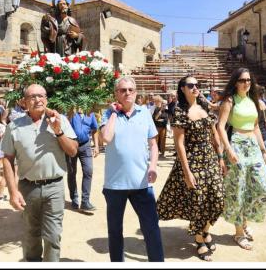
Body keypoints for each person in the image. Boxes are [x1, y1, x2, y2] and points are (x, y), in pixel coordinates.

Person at [1, 84, 78, 262]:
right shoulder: (14, 126)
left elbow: (73, 151)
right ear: (24, 102)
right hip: (28, 188)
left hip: (54, 187)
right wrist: (13, 192)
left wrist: (58, 131)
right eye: (32, 97)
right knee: (31, 236)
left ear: (46, 99)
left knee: (53, 237)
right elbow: (7, 160)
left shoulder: (59, 120)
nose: (37, 100)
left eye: (41, 96)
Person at [156, 76, 225, 261]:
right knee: (199, 201)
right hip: (192, 161)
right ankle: (200, 239)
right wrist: (187, 172)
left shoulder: (204, 107)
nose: (195, 88)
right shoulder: (179, 111)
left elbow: (215, 134)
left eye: (197, 85)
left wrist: (220, 157)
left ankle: (205, 230)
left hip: (210, 159)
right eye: (190, 85)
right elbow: (179, 145)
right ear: (183, 89)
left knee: (218, 199)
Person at [99, 77, 164, 262]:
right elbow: (107, 138)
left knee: (151, 228)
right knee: (115, 231)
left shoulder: (144, 113)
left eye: (130, 90)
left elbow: (153, 145)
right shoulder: (107, 114)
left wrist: (153, 167)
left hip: (142, 183)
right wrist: (113, 112)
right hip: (114, 185)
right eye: (122, 90)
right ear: (116, 94)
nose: (127, 93)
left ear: (136, 93)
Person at [216, 68, 266, 251]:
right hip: (236, 145)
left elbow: (256, 128)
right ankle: (239, 232)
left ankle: (245, 221)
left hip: (253, 147)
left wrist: (264, 150)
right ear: (235, 82)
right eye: (242, 80)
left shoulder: (252, 101)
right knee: (237, 190)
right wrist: (228, 150)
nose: (246, 83)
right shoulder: (230, 101)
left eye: (248, 80)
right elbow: (221, 127)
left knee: (262, 188)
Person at [66, 107, 100, 213]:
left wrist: (97, 146)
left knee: (88, 171)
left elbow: (94, 129)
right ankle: (74, 198)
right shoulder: (70, 112)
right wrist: (69, 114)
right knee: (72, 172)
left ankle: (85, 201)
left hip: (85, 145)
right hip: (71, 145)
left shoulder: (90, 114)